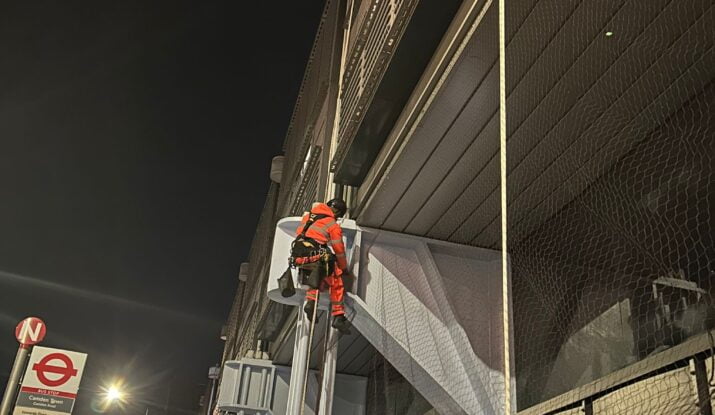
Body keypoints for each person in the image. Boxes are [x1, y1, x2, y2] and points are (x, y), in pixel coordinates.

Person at [294, 198, 350, 334]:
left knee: (318, 273)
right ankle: (338, 316)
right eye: (338, 215)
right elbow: (339, 250)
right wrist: (343, 268)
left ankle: (311, 301)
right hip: (315, 255)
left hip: (299, 256)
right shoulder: (332, 224)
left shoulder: (308, 216)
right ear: (336, 210)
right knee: (335, 276)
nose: (337, 218)